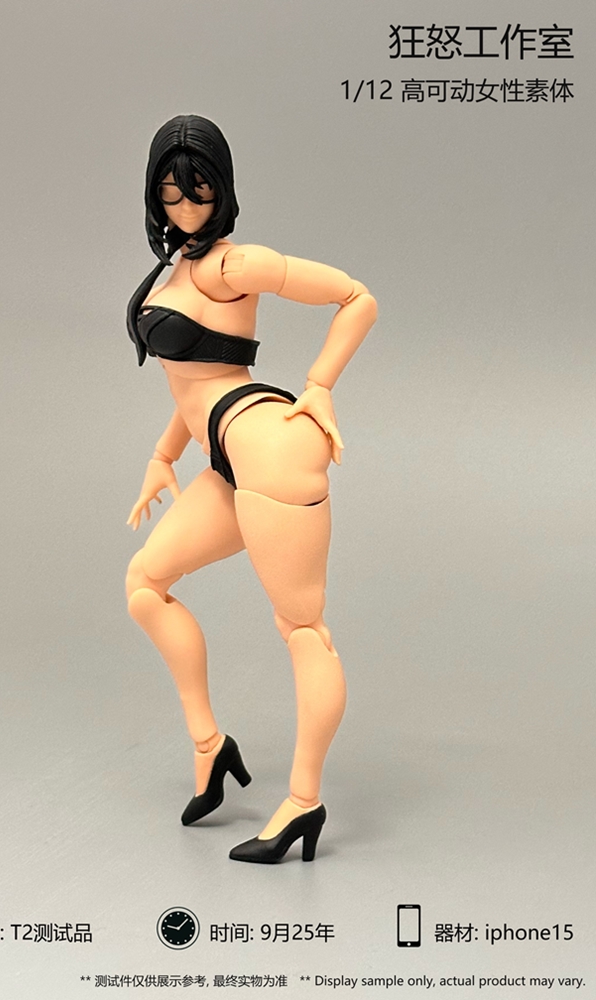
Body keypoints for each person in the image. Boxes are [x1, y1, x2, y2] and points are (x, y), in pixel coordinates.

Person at [124, 115, 377, 863]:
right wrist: (163, 455)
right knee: (145, 584)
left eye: (198, 191)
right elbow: (193, 379)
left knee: (302, 629)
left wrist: (320, 384)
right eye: (171, 192)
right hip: (225, 454)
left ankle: (303, 801)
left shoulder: (234, 265)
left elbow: (357, 297)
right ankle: (211, 746)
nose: (184, 206)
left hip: (268, 445)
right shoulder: (179, 268)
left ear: (223, 190)